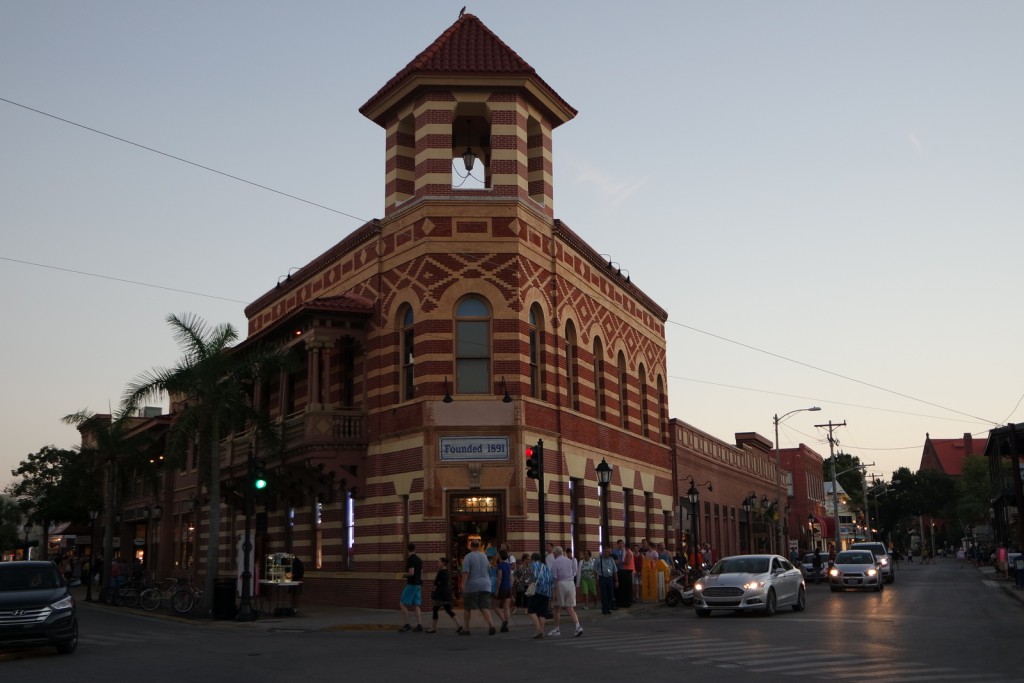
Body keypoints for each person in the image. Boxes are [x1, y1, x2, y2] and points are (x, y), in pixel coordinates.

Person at [460, 540, 497, 636]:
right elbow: (489, 570)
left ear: (470, 546)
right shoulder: (484, 556)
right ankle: (491, 625)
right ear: (479, 546)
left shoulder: (468, 557)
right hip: (485, 585)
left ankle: (467, 629)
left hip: (472, 585)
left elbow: (466, 572)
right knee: (484, 607)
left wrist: (462, 584)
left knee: (467, 608)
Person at [547, 546, 583, 637]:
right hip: (570, 583)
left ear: (555, 553)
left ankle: (556, 629)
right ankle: (578, 626)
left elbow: (555, 578)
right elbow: (574, 572)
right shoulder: (569, 561)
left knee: (556, 607)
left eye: (553, 554)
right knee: (570, 607)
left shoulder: (555, 562)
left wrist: (554, 592)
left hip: (560, 583)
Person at [425, 557, 461, 633]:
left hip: (439, 594)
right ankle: (459, 625)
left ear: (443, 563)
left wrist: (438, 583)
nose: (438, 564)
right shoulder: (447, 572)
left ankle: (433, 628)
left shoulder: (441, 572)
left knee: (435, 610)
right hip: (446, 593)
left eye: (439, 562)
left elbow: (435, 582)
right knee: (449, 610)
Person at [526, 551, 553, 639]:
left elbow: (530, 577)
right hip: (547, 592)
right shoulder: (545, 567)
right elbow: (551, 579)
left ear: (532, 559)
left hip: (537, 590)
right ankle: (541, 630)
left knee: (531, 610)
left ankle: (538, 629)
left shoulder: (532, 565)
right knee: (542, 612)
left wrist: (528, 582)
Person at [398, 543, 423, 632]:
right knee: (416, 605)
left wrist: (404, 575)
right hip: (418, 585)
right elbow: (421, 572)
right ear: (415, 549)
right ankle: (419, 625)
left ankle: (407, 624)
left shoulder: (410, 559)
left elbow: (411, 572)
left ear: (407, 550)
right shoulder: (419, 560)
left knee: (402, 603)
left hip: (411, 584)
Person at [493, 549, 512, 632]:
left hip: (502, 587)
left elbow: (499, 578)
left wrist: (497, 589)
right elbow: (510, 575)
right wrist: (510, 585)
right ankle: (506, 624)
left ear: (500, 556)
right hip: (508, 587)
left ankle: (503, 620)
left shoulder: (500, 565)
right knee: (506, 607)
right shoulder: (508, 565)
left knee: (495, 606)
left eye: (497, 554)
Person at [595, 546, 618, 614]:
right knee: (604, 594)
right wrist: (596, 579)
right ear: (602, 552)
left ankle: (608, 608)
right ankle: (604, 609)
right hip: (602, 578)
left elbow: (615, 570)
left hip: (610, 578)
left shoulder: (611, 559)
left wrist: (616, 580)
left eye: (608, 552)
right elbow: (594, 570)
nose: (606, 553)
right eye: (605, 552)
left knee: (610, 594)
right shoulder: (598, 559)